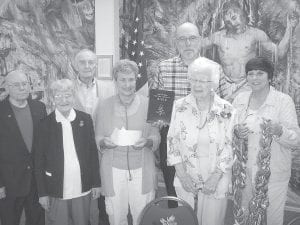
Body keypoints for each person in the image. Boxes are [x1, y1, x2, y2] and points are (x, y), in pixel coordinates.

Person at [150, 22, 224, 208]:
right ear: (176, 42)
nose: (187, 43)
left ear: (199, 40)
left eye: (192, 38)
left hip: (206, 136)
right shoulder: (164, 68)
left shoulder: (214, 68)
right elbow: (159, 108)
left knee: (205, 191)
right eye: (182, 39)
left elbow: (222, 107)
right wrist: (157, 124)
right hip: (173, 137)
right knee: (174, 187)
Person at [167, 57, 235, 225]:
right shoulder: (179, 106)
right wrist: (183, 176)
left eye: (203, 81)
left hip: (216, 178)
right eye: (194, 80)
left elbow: (229, 146)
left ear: (213, 83)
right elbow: (172, 141)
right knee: (185, 221)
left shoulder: (227, 109)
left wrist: (215, 178)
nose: (197, 85)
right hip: (186, 177)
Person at [232, 57, 300, 225]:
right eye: (251, 74)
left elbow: (295, 140)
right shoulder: (239, 100)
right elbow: (229, 132)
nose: (255, 78)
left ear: (270, 77)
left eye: (260, 73)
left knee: (272, 219)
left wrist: (279, 131)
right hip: (244, 173)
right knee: (244, 215)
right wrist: (236, 132)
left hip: (273, 175)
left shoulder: (283, 101)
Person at [94, 59, 160, 225]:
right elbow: (97, 136)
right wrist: (104, 142)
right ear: (115, 81)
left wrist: (148, 141)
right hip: (113, 170)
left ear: (136, 79)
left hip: (142, 169)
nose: (127, 84)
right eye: (122, 79)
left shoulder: (148, 104)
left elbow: (155, 135)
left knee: (143, 216)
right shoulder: (103, 106)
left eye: (131, 79)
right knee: (116, 216)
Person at [201, 0, 298, 102]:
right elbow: (196, 46)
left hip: (247, 85)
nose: (234, 23)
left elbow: (279, 53)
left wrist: (290, 28)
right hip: (225, 85)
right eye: (229, 21)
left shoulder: (256, 34)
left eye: (235, 17)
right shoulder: (218, 37)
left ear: (244, 14)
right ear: (224, 20)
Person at [34, 79, 101, 225]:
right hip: (56, 189)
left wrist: (96, 183)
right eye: (58, 96)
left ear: (73, 96)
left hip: (83, 187)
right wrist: (42, 193)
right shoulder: (43, 125)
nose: (64, 100)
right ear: (52, 98)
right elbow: (38, 161)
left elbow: (92, 154)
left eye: (68, 95)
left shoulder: (85, 119)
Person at [73, 48, 115, 225]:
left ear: (96, 65)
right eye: (82, 62)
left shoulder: (108, 87)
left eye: (91, 62)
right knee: (80, 190)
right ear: (75, 66)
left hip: (101, 149)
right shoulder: (67, 87)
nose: (87, 66)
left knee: (102, 191)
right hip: (75, 149)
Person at [0, 70, 46, 225]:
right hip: (9, 183)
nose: (22, 88)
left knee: (37, 221)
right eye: (16, 85)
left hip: (36, 182)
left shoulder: (40, 108)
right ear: (7, 87)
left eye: (25, 84)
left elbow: (44, 147)